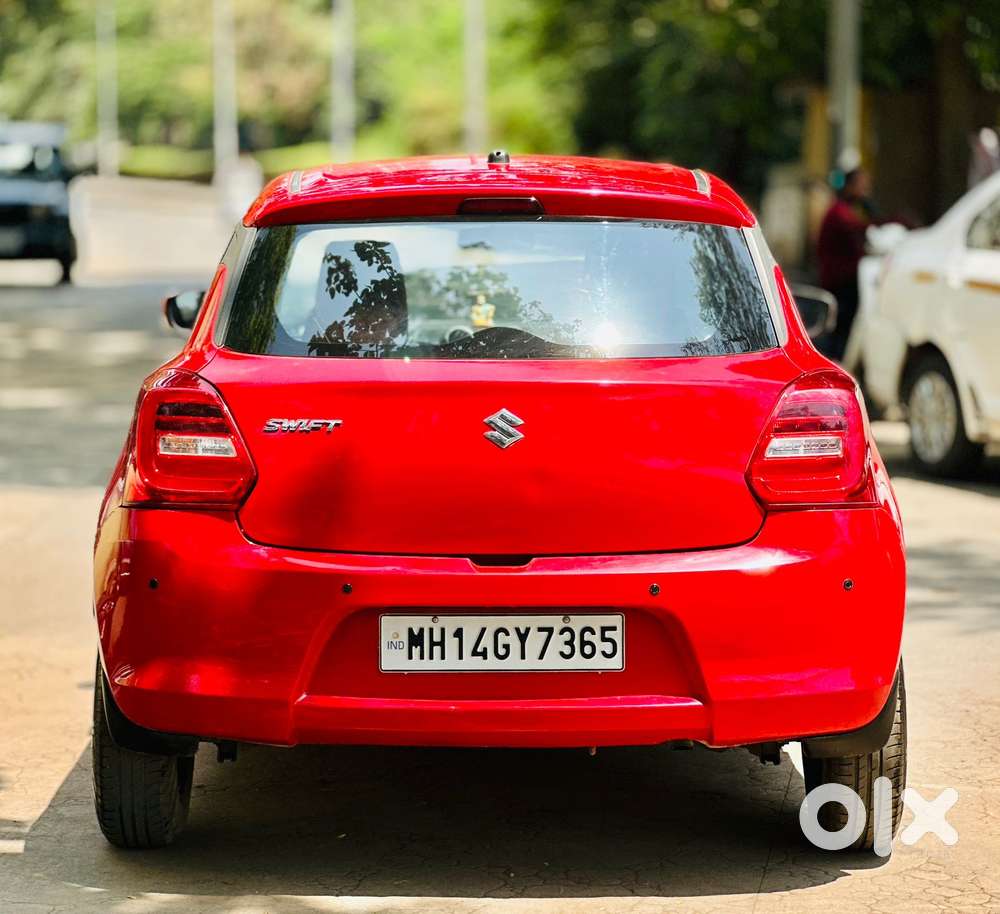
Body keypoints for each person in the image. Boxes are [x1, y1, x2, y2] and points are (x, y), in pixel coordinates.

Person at [817, 167, 874, 360]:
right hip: (840, 282)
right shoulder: (839, 213)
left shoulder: (848, 211)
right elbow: (857, 231)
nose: (865, 191)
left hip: (846, 280)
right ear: (849, 187)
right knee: (838, 332)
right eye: (860, 186)